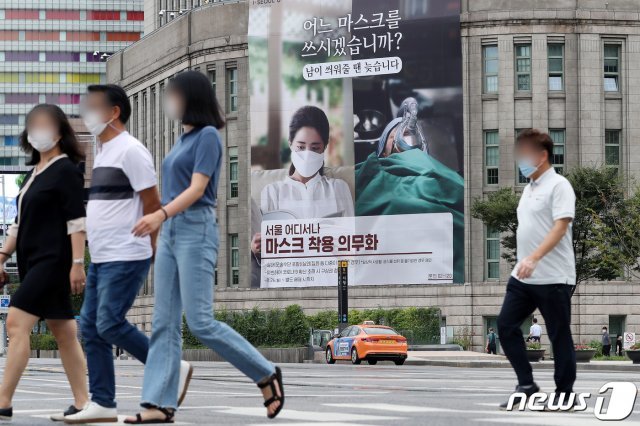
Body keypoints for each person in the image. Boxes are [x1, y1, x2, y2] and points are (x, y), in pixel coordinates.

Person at [124, 71, 284, 424]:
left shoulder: (209, 137)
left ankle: (265, 372)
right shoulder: (182, 139)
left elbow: (197, 189)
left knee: (200, 322)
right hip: (170, 232)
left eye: (174, 96)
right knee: (163, 323)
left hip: (196, 228)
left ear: (191, 98)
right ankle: (158, 403)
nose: (170, 102)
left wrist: (160, 214)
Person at [64, 85, 191, 424]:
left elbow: (152, 204)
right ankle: (103, 402)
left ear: (114, 111)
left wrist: (150, 253)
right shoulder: (102, 151)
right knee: (89, 329)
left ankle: (170, 368)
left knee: (108, 322)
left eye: (92, 106)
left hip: (127, 253)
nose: (86, 112)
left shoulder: (132, 151)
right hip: (103, 257)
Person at [0, 104, 89, 421]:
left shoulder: (65, 169)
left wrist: (77, 263)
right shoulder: (32, 175)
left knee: (15, 323)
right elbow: (17, 224)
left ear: (60, 131)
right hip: (31, 259)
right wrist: (2, 256)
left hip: (53, 261)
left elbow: (76, 220)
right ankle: (83, 402)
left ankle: (3, 400)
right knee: (64, 331)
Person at [497, 129, 577, 409]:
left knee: (559, 334)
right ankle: (527, 384)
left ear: (542, 155)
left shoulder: (559, 186)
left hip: (554, 276)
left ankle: (564, 393)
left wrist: (535, 257)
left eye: (525, 153)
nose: (520, 159)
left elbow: (560, 225)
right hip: (523, 276)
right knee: (505, 326)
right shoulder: (528, 190)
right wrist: (524, 262)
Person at [355, 101, 464, 283]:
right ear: (383, 150)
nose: (407, 136)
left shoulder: (440, 172)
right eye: (396, 134)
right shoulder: (373, 168)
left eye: (410, 133)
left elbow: (462, 195)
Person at [252, 106, 354, 258]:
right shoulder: (273, 192)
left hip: (328, 273)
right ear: (290, 143)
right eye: (300, 147)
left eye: (315, 148)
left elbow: (352, 246)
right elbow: (266, 250)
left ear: (324, 147)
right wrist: (256, 248)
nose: (307, 154)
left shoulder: (338, 188)